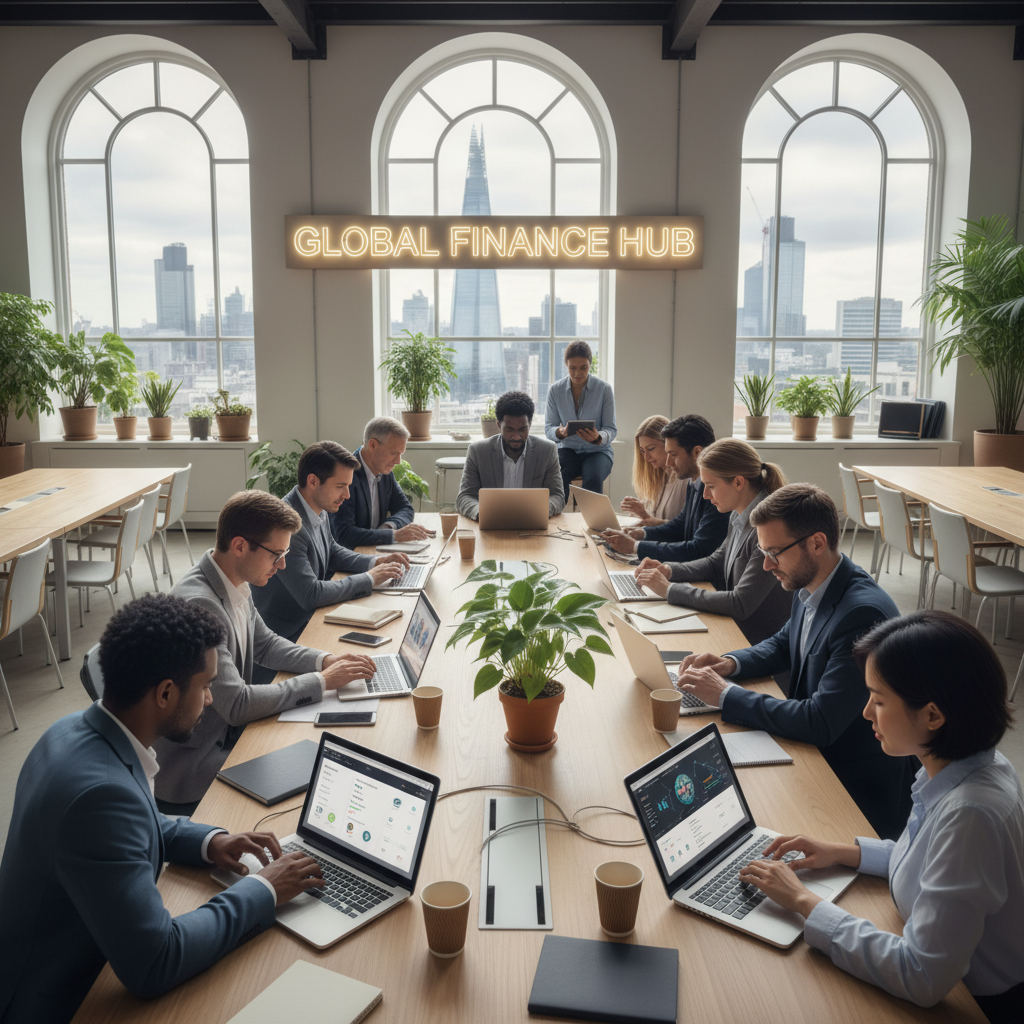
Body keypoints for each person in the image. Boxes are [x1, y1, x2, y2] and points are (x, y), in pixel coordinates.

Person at [0, 594, 326, 1024]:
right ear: (166, 693)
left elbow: (134, 821)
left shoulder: (69, 732)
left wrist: (212, 842)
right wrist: (264, 889)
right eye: (206, 686)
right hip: (60, 1002)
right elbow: (157, 961)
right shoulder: (99, 799)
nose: (210, 700)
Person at [739, 611, 1022, 1020]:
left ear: (932, 715)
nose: (866, 713)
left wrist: (804, 901)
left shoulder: (970, 816)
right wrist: (845, 852)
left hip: (978, 1005)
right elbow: (931, 863)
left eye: (879, 699)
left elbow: (922, 975)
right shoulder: (973, 765)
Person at [676, 483, 915, 840]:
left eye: (775, 552)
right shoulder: (812, 581)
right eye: (762, 550)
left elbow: (820, 720)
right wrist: (729, 663)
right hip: (813, 755)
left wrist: (726, 695)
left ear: (817, 543)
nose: (766, 564)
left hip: (850, 786)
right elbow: (785, 643)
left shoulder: (862, 614)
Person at [155, 489, 382, 813]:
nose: (283, 564)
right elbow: (237, 703)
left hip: (230, 737)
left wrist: (325, 659)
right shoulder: (201, 604)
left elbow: (264, 643)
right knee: (322, 784)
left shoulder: (232, 576)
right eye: (276, 554)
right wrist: (322, 681)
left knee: (330, 757)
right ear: (239, 546)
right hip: (196, 766)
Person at [633, 438, 791, 645]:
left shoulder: (768, 528)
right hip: (734, 628)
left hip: (753, 642)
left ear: (738, 482)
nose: (706, 495)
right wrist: (668, 570)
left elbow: (740, 602)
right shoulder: (739, 513)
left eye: (711, 486)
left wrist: (669, 589)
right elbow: (716, 562)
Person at [253, 440, 410, 643]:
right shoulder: (286, 526)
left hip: (312, 617)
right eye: (340, 486)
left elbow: (332, 550)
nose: (346, 495)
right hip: (288, 633)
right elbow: (311, 594)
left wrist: (374, 562)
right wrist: (370, 578)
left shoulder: (317, 504)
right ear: (313, 481)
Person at [603, 413, 729, 562]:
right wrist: (642, 533)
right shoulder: (694, 481)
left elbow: (700, 549)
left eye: (674, 454)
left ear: (697, 452)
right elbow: (680, 525)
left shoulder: (716, 492)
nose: (668, 462)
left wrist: (636, 547)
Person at [457, 389, 565, 521]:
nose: (516, 436)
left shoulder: (547, 451)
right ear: (498, 424)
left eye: (522, 430)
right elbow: (464, 496)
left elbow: (557, 496)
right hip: (492, 525)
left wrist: (539, 511)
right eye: (509, 430)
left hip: (532, 525)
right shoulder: (478, 452)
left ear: (530, 425)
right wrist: (483, 513)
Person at [330, 416, 433, 548]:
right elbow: (345, 535)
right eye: (393, 453)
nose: (398, 461)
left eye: (400, 454)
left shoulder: (384, 471)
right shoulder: (346, 476)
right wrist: (393, 535)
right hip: (351, 558)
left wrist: (387, 527)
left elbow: (405, 508)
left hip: (375, 551)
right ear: (372, 445)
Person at [545, 341, 617, 498]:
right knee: (556, 477)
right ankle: (552, 516)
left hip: (598, 452)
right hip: (567, 449)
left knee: (593, 478)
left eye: (583, 367)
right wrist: (560, 432)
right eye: (573, 368)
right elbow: (548, 428)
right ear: (566, 365)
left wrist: (598, 438)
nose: (578, 373)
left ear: (590, 364)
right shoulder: (555, 390)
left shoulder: (604, 389)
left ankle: (591, 522)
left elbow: (611, 429)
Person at [619, 414, 688, 527]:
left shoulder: (685, 479)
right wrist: (638, 512)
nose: (646, 457)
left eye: (651, 449)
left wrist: (645, 515)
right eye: (642, 450)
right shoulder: (658, 477)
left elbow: (684, 530)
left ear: (668, 444)